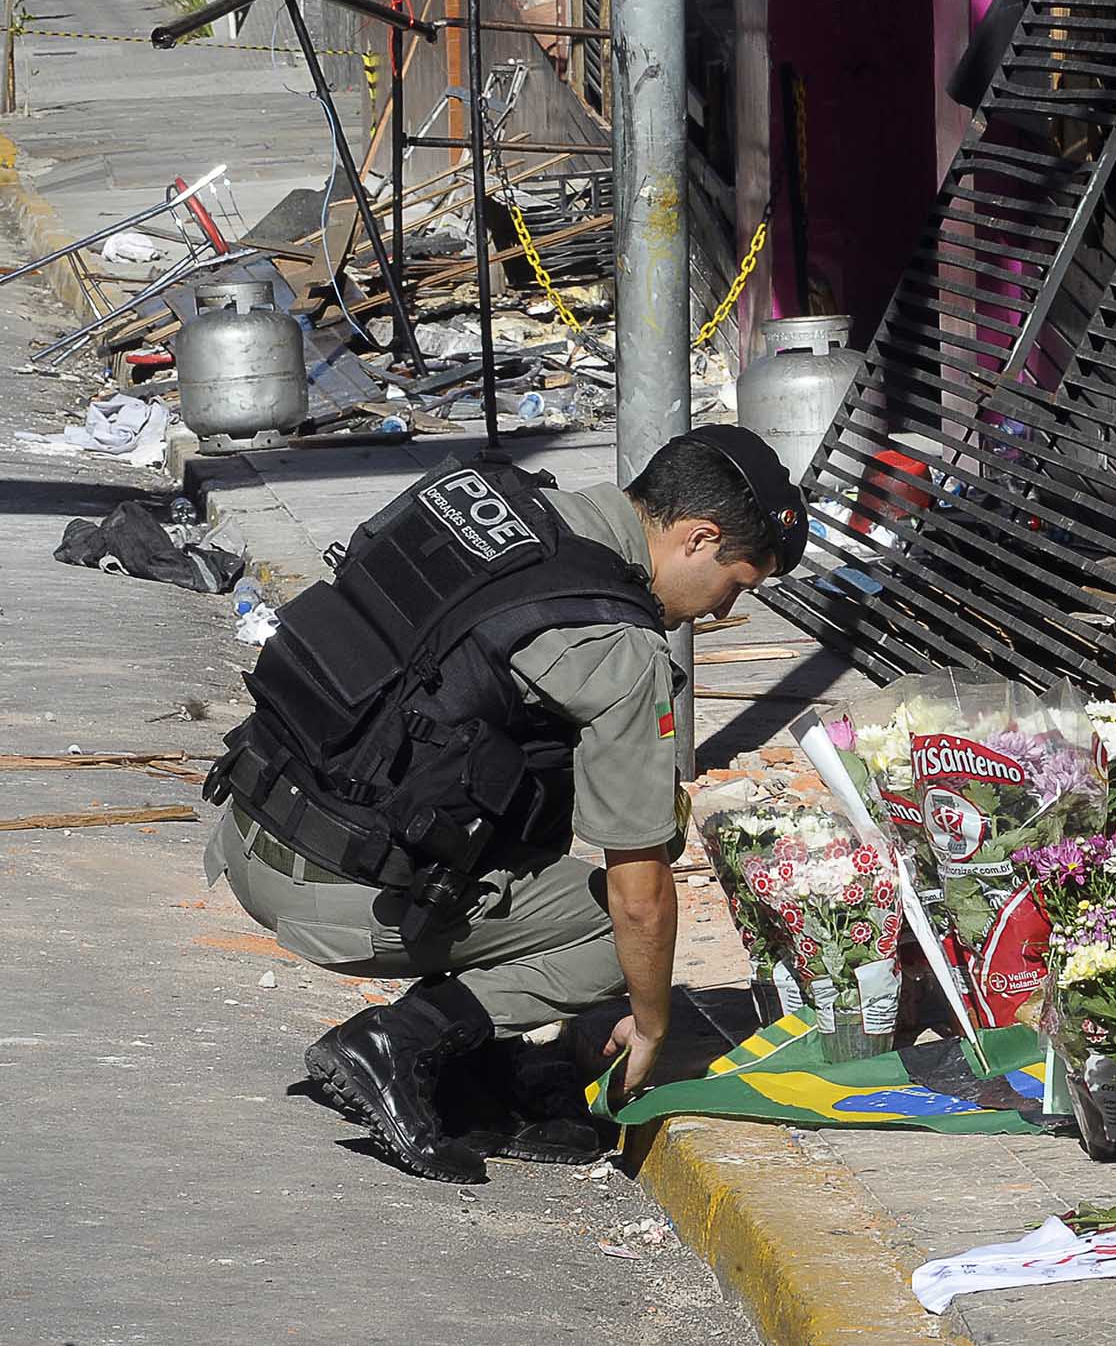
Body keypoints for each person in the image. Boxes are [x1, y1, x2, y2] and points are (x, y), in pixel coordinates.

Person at [203, 426, 808, 1182]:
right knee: (612, 929)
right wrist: (652, 1025)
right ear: (698, 538)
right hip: (333, 882)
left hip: (255, 819)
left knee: (529, 771)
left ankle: (476, 1070)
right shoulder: (616, 647)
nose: (720, 614)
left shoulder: (491, 502)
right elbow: (639, 893)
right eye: (736, 587)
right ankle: (400, 1040)